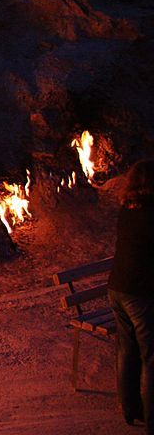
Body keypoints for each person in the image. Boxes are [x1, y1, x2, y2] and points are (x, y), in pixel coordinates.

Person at [110, 158, 154, 432]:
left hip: (117, 289)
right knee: (152, 356)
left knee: (128, 351)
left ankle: (130, 408)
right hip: (139, 294)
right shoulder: (150, 212)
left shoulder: (128, 208)